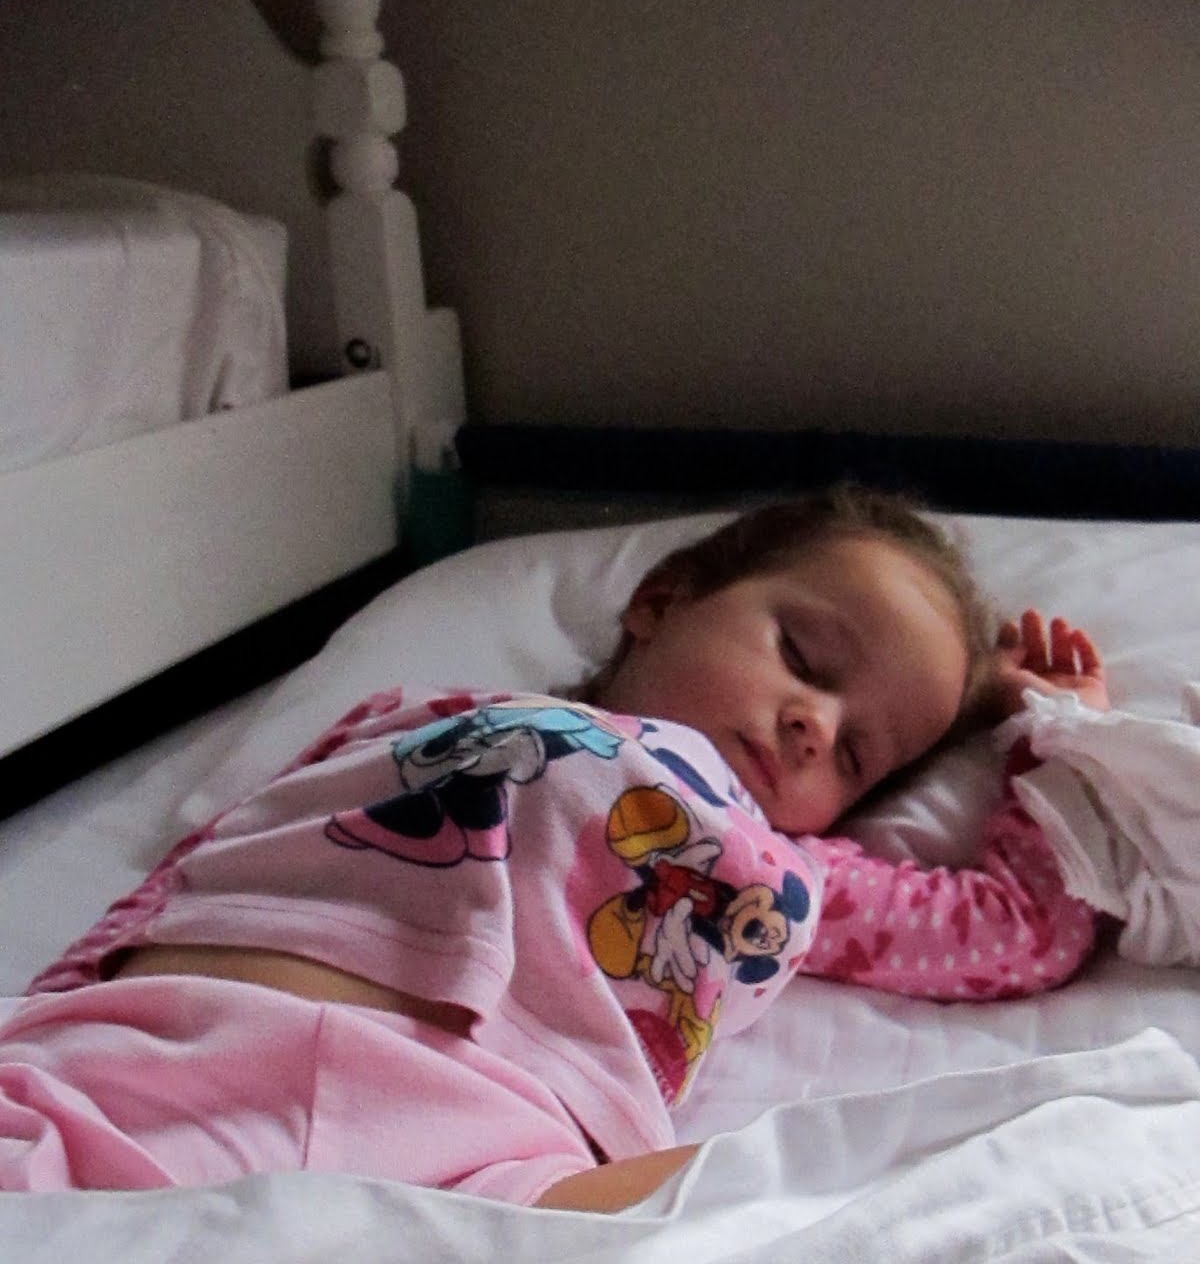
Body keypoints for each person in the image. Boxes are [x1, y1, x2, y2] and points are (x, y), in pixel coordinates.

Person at [0, 486, 1109, 1210]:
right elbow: (215, 855)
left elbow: (1015, 933)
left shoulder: (777, 874)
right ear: (663, 601)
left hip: (480, 1151)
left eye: (857, 755)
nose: (813, 724)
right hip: (190, 1044)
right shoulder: (424, 715)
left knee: (962, 1189)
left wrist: (1053, 738)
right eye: (803, 658)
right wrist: (57, 1003)